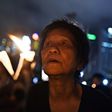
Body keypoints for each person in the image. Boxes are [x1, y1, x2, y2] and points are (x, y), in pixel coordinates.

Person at [26, 18, 112, 112]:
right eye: (48, 44)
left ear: (80, 61)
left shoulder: (99, 104)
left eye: (64, 43)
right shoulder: (34, 95)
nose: (52, 49)